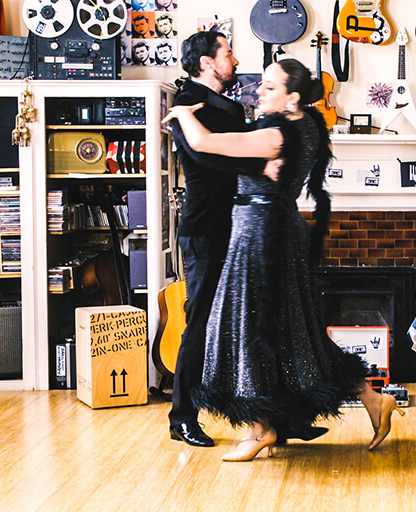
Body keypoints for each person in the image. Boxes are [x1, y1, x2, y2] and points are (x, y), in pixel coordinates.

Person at [163, 58, 405, 462]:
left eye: (270, 87)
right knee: (294, 332)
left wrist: (182, 115)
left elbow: (204, 143)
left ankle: (259, 429)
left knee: (246, 325)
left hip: (261, 233)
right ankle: (372, 400)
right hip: (276, 227)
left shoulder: (275, 136)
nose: (260, 90)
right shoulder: (308, 123)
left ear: (292, 96)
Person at [167, 31, 265, 448]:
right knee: (201, 323)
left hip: (233, 225)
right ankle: (182, 418)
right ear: (207, 62)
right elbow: (209, 155)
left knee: (248, 320)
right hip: (207, 228)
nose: (235, 59)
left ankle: (266, 418)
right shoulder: (189, 104)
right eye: (227, 53)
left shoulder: (221, 106)